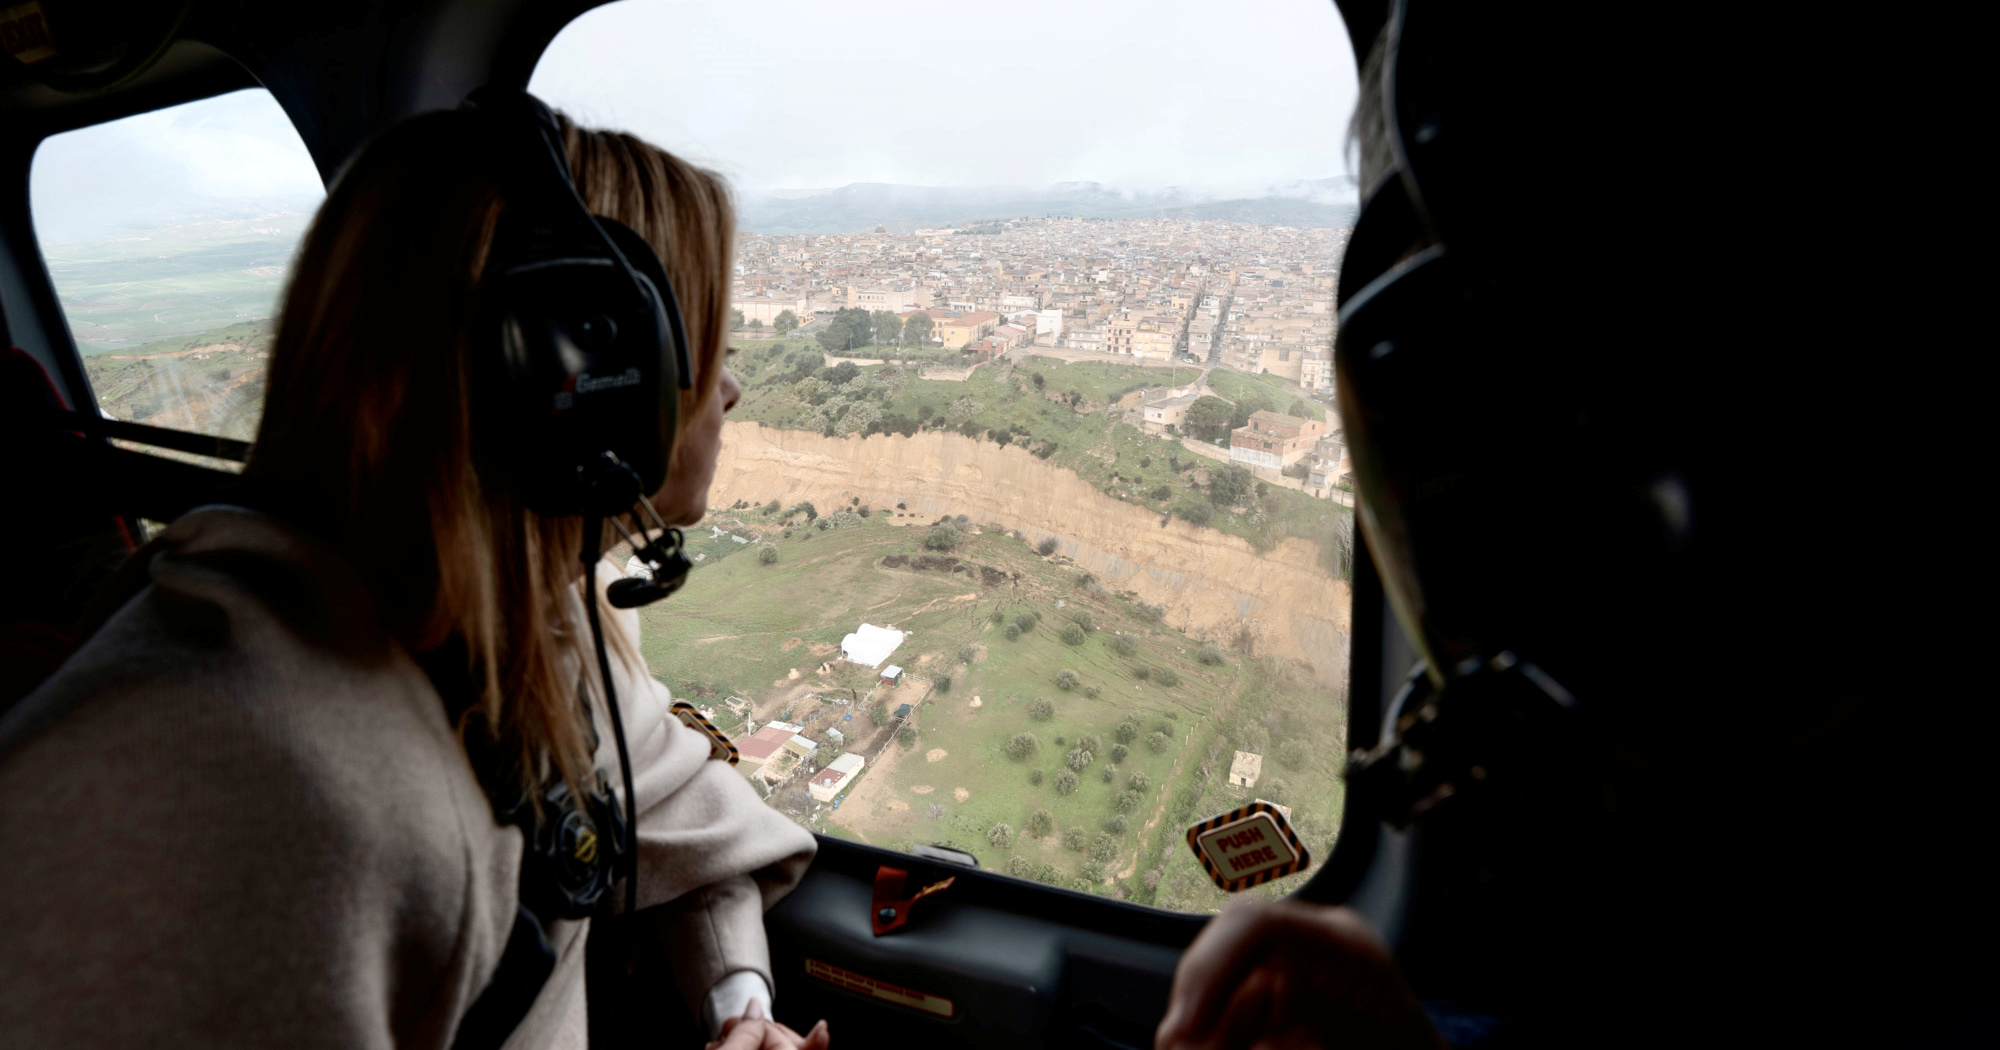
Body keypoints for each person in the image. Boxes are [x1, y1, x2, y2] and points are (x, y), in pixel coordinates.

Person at [0, 105, 829, 1050]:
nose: (730, 389)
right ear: (590, 378)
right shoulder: (237, 785)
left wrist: (738, 1007)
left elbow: (673, 818)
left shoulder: (544, 627)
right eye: (709, 345)